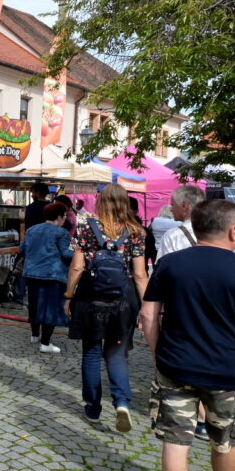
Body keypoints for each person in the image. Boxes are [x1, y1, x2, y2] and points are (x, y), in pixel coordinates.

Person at [139, 199, 235, 471]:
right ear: (233, 230)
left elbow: (148, 316)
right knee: (225, 440)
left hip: (176, 365)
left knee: (175, 442)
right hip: (230, 371)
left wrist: (157, 353)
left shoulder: (170, 264)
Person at [64, 183, 148, 432]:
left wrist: (68, 295)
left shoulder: (85, 227)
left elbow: (77, 266)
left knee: (91, 353)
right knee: (116, 353)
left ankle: (93, 409)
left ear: (100, 202)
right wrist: (145, 307)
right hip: (122, 300)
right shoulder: (136, 231)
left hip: (91, 298)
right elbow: (140, 274)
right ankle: (122, 402)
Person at [19, 203, 72, 353]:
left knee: (34, 306)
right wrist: (80, 252)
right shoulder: (61, 232)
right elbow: (66, 253)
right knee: (50, 309)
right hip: (52, 275)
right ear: (59, 217)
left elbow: (22, 249)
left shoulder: (31, 230)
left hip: (32, 273)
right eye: (65, 215)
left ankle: (35, 335)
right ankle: (45, 343)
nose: (65, 218)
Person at [156, 185, 235, 261]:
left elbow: (163, 269)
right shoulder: (226, 230)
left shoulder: (173, 236)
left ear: (184, 206)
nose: (171, 209)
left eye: (172, 205)